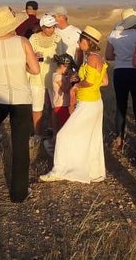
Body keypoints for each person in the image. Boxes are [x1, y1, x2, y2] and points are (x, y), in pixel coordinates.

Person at [0, 6, 40, 204]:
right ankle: (19, 193)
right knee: (20, 145)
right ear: (12, 24)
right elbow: (35, 70)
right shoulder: (22, 42)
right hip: (21, 99)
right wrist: (29, 61)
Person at [39, 26, 108, 183]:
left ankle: (60, 170)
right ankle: (92, 171)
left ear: (88, 42)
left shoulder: (91, 59)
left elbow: (89, 82)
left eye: (81, 40)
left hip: (87, 103)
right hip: (95, 101)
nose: (78, 43)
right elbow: (104, 81)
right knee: (90, 137)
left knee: (64, 135)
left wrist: (77, 85)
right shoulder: (99, 58)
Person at [106, 8, 136, 162]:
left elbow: (108, 56)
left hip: (120, 71)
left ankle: (118, 139)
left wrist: (121, 55)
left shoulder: (113, 35)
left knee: (120, 106)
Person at [27, 14, 62, 145]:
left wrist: (57, 59)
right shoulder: (33, 38)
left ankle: (55, 133)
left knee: (55, 106)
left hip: (54, 77)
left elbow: (64, 58)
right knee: (37, 107)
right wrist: (34, 56)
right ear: (42, 27)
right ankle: (37, 134)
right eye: (48, 27)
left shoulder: (58, 38)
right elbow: (27, 55)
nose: (51, 30)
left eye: (53, 27)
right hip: (37, 77)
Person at [50, 53, 75, 132]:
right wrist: (70, 79)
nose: (68, 70)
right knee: (65, 128)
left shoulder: (63, 76)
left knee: (63, 127)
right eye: (68, 68)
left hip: (64, 105)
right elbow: (65, 89)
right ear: (62, 66)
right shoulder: (56, 76)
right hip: (60, 105)